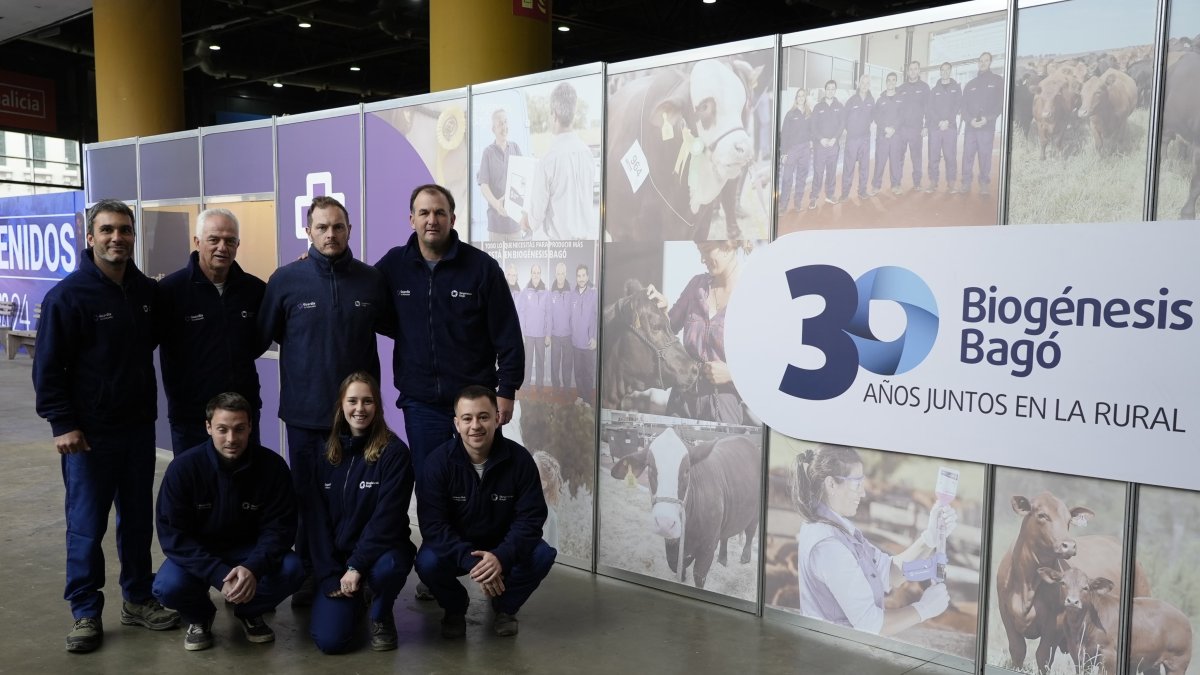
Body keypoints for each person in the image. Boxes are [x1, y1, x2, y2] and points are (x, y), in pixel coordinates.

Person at [33, 198, 179, 653]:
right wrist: (64, 424)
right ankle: (84, 611)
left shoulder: (144, 293)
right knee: (85, 526)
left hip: (137, 430)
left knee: (136, 521)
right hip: (88, 438)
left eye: (125, 230)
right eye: (109, 230)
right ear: (90, 237)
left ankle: (137, 599)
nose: (118, 238)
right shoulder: (68, 296)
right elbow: (48, 368)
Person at [258, 194, 391, 604]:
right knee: (308, 497)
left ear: (350, 230)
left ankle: (354, 569)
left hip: (358, 419)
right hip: (305, 414)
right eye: (322, 227)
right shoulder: (285, 280)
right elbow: (268, 333)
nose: (330, 234)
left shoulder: (371, 280)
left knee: (355, 497)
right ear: (308, 231)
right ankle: (312, 573)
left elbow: (392, 327)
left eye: (338, 227)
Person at [374, 183, 523, 481]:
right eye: (424, 212)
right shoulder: (394, 264)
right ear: (412, 219)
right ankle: (437, 532)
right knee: (432, 485)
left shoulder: (482, 268)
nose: (432, 220)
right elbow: (360, 292)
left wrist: (506, 391)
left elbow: (508, 334)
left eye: (440, 212)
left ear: (452, 219)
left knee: (479, 482)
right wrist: (315, 263)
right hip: (421, 405)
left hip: (475, 403)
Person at [153, 392, 304, 652]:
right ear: (208, 427)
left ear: (250, 428)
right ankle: (200, 616)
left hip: (249, 551)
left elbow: (280, 529)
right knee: (167, 587)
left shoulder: (273, 467)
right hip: (202, 553)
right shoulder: (184, 469)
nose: (231, 439)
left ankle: (249, 610)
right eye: (222, 429)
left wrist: (253, 568)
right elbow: (174, 537)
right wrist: (219, 574)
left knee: (294, 570)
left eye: (239, 429)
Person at [415, 386, 556, 638]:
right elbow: (433, 527)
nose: (475, 426)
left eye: (483, 416)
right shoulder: (437, 464)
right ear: (457, 424)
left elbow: (531, 518)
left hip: (502, 545)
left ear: (496, 418)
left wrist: (501, 556)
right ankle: (455, 607)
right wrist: (474, 562)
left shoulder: (520, 460)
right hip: (459, 546)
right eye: (467, 418)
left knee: (542, 554)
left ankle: (505, 607)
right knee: (427, 562)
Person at [790, 444, 957, 635]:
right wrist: (923, 610)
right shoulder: (829, 546)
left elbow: (888, 572)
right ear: (831, 484)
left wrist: (930, 537)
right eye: (856, 484)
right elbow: (870, 624)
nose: (863, 493)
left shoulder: (837, 530)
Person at [307, 373, 416, 654]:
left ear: (377, 406)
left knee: (388, 569)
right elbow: (316, 523)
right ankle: (356, 599)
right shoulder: (325, 455)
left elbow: (387, 520)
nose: (360, 408)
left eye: (368, 401)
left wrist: (356, 566)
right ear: (341, 406)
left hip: (381, 554)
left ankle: (380, 612)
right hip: (340, 564)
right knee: (331, 642)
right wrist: (331, 574)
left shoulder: (394, 453)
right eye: (352, 401)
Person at [158, 208, 267, 455]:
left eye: (230, 241)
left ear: (238, 244)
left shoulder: (255, 291)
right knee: (196, 490)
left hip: (242, 416)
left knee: (245, 489)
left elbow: (258, 341)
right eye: (214, 239)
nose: (222, 247)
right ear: (197, 242)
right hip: (191, 419)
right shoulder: (170, 292)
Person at [647, 240, 749, 424]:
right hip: (682, 399)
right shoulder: (696, 285)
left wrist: (732, 374)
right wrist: (661, 310)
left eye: (707, 250)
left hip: (724, 405)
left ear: (729, 245)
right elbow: (668, 330)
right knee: (667, 452)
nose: (702, 259)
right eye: (699, 251)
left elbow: (767, 366)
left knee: (720, 453)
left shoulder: (752, 294)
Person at [523, 81, 597, 240]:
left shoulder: (548, 161)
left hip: (561, 254)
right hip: (588, 249)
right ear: (574, 112)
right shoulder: (587, 155)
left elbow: (535, 219)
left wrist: (524, 220)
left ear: (554, 114)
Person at [959, 52, 1005, 196]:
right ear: (978, 63)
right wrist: (969, 120)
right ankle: (966, 182)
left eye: (986, 60)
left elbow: (1000, 104)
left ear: (990, 62)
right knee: (967, 155)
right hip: (971, 127)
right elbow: (963, 106)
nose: (983, 63)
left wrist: (988, 118)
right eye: (980, 60)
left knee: (985, 156)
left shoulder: (998, 81)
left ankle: (984, 183)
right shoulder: (970, 84)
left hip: (987, 127)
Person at [478, 108, 524, 241]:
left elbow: (524, 179)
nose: (504, 127)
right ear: (493, 129)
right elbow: (484, 185)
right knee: (495, 262)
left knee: (517, 261)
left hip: (515, 224)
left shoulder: (515, 148)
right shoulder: (488, 152)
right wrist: (497, 205)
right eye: (500, 124)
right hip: (496, 227)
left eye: (505, 122)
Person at [896, 61, 931, 194]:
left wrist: (926, 126)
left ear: (919, 71)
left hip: (916, 129)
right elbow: (896, 109)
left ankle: (917, 182)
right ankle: (897, 182)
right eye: (910, 69)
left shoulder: (924, 87)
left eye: (915, 69)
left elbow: (928, 108)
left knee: (916, 157)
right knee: (898, 157)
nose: (912, 71)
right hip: (901, 129)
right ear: (908, 71)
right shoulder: (901, 88)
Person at [926, 62, 962, 194]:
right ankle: (933, 182)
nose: (945, 72)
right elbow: (930, 108)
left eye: (947, 70)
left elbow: (957, 106)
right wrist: (939, 121)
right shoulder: (934, 90)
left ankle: (951, 183)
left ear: (950, 71)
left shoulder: (956, 88)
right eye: (943, 70)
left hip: (950, 127)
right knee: (933, 156)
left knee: (950, 156)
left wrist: (948, 121)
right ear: (940, 72)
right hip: (935, 128)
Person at [809, 80, 844, 208]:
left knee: (831, 171)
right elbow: (813, 126)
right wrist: (821, 139)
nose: (830, 90)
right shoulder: (818, 107)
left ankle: (829, 195)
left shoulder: (839, 106)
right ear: (825, 90)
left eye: (832, 88)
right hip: (820, 146)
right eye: (828, 88)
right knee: (818, 172)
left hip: (833, 146)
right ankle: (813, 197)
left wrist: (835, 138)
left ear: (835, 90)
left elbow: (842, 124)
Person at [840, 74, 875, 201]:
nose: (865, 85)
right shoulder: (851, 100)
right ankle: (845, 193)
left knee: (864, 166)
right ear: (858, 84)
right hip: (852, 139)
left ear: (869, 85)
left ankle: (862, 191)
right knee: (849, 167)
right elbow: (844, 118)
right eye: (863, 83)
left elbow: (872, 117)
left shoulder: (871, 100)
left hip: (865, 138)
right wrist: (852, 130)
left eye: (867, 83)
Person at [778, 88, 812, 213]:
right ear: (796, 98)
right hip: (792, 149)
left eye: (803, 96)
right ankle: (783, 204)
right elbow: (785, 135)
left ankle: (798, 202)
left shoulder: (809, 114)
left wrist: (812, 142)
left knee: (801, 177)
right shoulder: (790, 114)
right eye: (799, 96)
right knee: (787, 178)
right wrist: (783, 153)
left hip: (805, 149)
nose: (801, 98)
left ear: (805, 98)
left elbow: (812, 130)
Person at [569, 264, 598, 403]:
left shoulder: (594, 294)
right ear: (576, 277)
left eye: (583, 275)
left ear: (587, 277)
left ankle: (587, 399)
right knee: (578, 372)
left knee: (588, 373)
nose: (581, 278)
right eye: (578, 276)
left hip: (588, 342)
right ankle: (580, 396)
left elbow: (597, 317)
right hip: (576, 342)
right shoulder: (572, 295)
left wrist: (595, 338)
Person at [871, 73, 903, 196]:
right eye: (889, 80)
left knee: (895, 161)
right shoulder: (880, 100)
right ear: (886, 82)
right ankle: (876, 186)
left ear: (896, 82)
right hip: (882, 135)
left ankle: (896, 185)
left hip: (896, 135)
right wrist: (885, 128)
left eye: (893, 80)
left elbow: (902, 116)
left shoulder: (901, 98)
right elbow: (876, 117)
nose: (891, 82)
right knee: (880, 161)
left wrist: (893, 128)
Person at [519, 264, 549, 391]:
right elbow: (521, 312)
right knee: (528, 361)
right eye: (534, 272)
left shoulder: (546, 293)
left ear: (540, 274)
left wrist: (548, 334)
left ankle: (539, 385)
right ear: (531, 274)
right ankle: (526, 384)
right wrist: (522, 332)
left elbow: (549, 314)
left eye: (538, 272)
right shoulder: (525, 292)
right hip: (529, 334)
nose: (536, 275)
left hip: (541, 334)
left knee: (541, 360)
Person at [548, 262, 574, 391]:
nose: (560, 276)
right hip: (555, 335)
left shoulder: (571, 293)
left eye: (562, 273)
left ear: (565, 274)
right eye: (558, 273)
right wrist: (550, 333)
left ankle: (567, 388)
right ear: (556, 274)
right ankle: (556, 388)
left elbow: (574, 315)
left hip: (568, 335)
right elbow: (548, 314)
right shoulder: (550, 293)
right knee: (555, 364)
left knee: (567, 364)